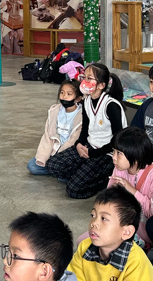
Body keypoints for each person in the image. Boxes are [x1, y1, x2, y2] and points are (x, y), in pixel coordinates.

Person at [46, 62, 127, 198]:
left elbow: (117, 140)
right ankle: (84, 173)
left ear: (101, 85)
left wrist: (93, 153)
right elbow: (85, 129)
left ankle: (104, 180)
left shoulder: (111, 105)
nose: (84, 81)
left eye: (89, 78)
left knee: (73, 190)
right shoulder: (87, 101)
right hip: (89, 147)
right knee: (52, 165)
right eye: (84, 77)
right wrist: (79, 144)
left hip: (107, 153)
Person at [108, 127, 153, 246]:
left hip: (142, 227)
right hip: (123, 220)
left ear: (135, 156)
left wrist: (131, 190)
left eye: (119, 153)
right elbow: (109, 196)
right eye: (113, 151)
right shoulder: (119, 168)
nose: (114, 157)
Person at [27, 80, 83, 175]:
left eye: (69, 94)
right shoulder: (54, 111)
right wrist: (43, 157)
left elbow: (74, 140)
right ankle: (57, 169)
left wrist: (59, 156)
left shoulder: (82, 115)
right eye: (62, 93)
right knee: (32, 166)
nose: (64, 96)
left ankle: (57, 169)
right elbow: (47, 137)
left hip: (67, 154)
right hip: (53, 152)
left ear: (78, 99)